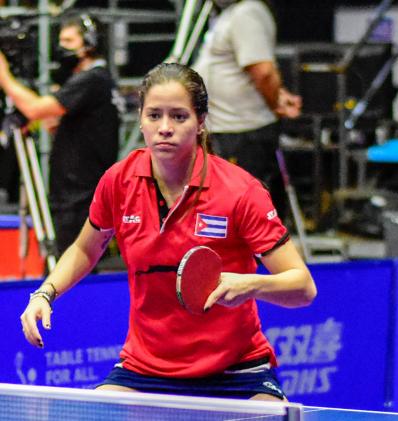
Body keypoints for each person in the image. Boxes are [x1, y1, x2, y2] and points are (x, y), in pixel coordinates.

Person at [19, 62, 317, 400]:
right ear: (141, 121)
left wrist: (251, 285)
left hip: (236, 370)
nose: (164, 128)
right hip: (144, 370)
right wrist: (45, 293)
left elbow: (303, 287)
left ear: (201, 122)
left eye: (179, 116)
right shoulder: (119, 181)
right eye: (154, 115)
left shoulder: (240, 192)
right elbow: (87, 248)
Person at [0, 14, 121, 256]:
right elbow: (49, 121)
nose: (61, 47)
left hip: (78, 197)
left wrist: (4, 76)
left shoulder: (92, 79)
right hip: (79, 192)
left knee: (73, 263)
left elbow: (35, 109)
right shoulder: (99, 79)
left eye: (68, 40)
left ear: (89, 42)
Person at [193, 0, 301, 221]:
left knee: (247, 215)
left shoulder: (247, 12)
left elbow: (263, 73)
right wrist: (279, 96)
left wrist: (276, 104)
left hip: (243, 135)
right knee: (228, 213)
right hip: (230, 132)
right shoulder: (230, 15)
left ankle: (257, 256)